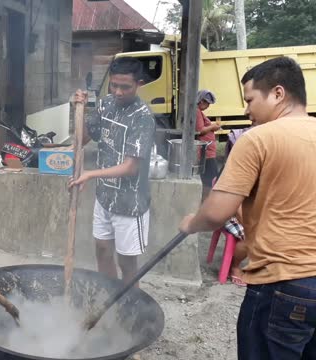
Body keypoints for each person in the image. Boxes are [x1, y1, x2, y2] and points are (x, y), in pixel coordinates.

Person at [179, 56, 316, 359]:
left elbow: (217, 212)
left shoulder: (258, 139)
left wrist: (190, 224)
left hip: (283, 283)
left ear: (278, 94)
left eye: (250, 99)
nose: (246, 109)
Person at [69, 57, 156, 287]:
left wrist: (89, 174)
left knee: (127, 263)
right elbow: (84, 137)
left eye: (125, 87)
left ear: (139, 84)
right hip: (104, 198)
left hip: (130, 204)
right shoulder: (105, 104)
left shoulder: (143, 117)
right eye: (113, 85)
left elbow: (131, 167)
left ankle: (130, 306)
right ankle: (109, 299)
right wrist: (80, 109)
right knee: (102, 251)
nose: (118, 92)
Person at [195, 90, 221, 202]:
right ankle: (205, 203)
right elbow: (200, 130)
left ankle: (206, 202)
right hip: (206, 153)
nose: (208, 106)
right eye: (207, 103)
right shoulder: (197, 112)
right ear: (201, 101)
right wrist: (213, 127)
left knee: (210, 179)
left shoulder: (199, 112)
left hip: (208, 152)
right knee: (210, 180)